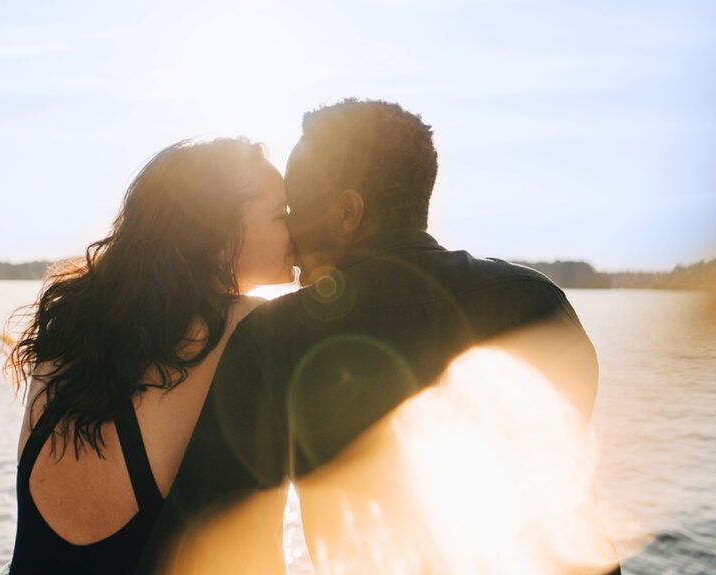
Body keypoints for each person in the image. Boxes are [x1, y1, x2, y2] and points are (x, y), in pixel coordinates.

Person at [137, 99, 620, 574]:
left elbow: (217, 548)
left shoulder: (274, 338)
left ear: (347, 213)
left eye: (295, 212)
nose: (292, 241)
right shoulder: (537, 303)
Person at [5, 138, 294, 574]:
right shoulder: (251, 328)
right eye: (282, 214)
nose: (300, 227)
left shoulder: (72, 324)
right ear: (219, 233)